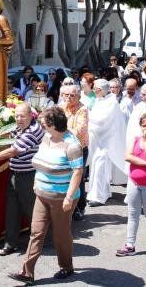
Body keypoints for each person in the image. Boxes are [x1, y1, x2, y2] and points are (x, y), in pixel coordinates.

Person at [7, 107, 83, 285]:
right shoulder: (46, 137)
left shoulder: (72, 145)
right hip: (42, 193)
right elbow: (40, 160)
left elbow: (78, 172)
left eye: (43, 123)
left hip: (61, 197)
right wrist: (36, 183)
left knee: (60, 235)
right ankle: (27, 272)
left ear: (53, 125)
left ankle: (66, 266)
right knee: (36, 232)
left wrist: (69, 197)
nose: (40, 126)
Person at [0, 103, 44, 256]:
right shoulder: (19, 127)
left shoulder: (32, 131)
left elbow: (14, 150)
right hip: (15, 173)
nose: (19, 119)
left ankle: (37, 243)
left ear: (31, 115)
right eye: (16, 116)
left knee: (32, 211)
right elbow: (9, 140)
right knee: (12, 210)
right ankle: (10, 244)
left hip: (28, 176)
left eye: (22, 116)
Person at [116, 113, 146, 256]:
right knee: (133, 213)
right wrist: (145, 164)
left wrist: (145, 142)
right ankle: (130, 244)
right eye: (144, 126)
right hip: (134, 181)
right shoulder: (135, 139)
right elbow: (128, 156)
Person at [86, 79, 127, 207]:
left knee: (100, 167)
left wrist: (88, 119)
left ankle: (99, 196)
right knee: (96, 167)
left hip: (106, 142)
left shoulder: (112, 102)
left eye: (96, 89)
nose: (94, 91)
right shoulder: (100, 100)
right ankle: (100, 192)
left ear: (101, 90)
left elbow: (103, 122)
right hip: (97, 141)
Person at [59, 84, 89, 221]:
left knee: (78, 178)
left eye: (72, 95)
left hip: (79, 148)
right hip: (62, 147)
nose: (69, 98)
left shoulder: (82, 109)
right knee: (65, 176)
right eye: (66, 95)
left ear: (78, 96)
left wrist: (61, 129)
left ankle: (79, 207)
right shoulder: (60, 107)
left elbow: (79, 130)